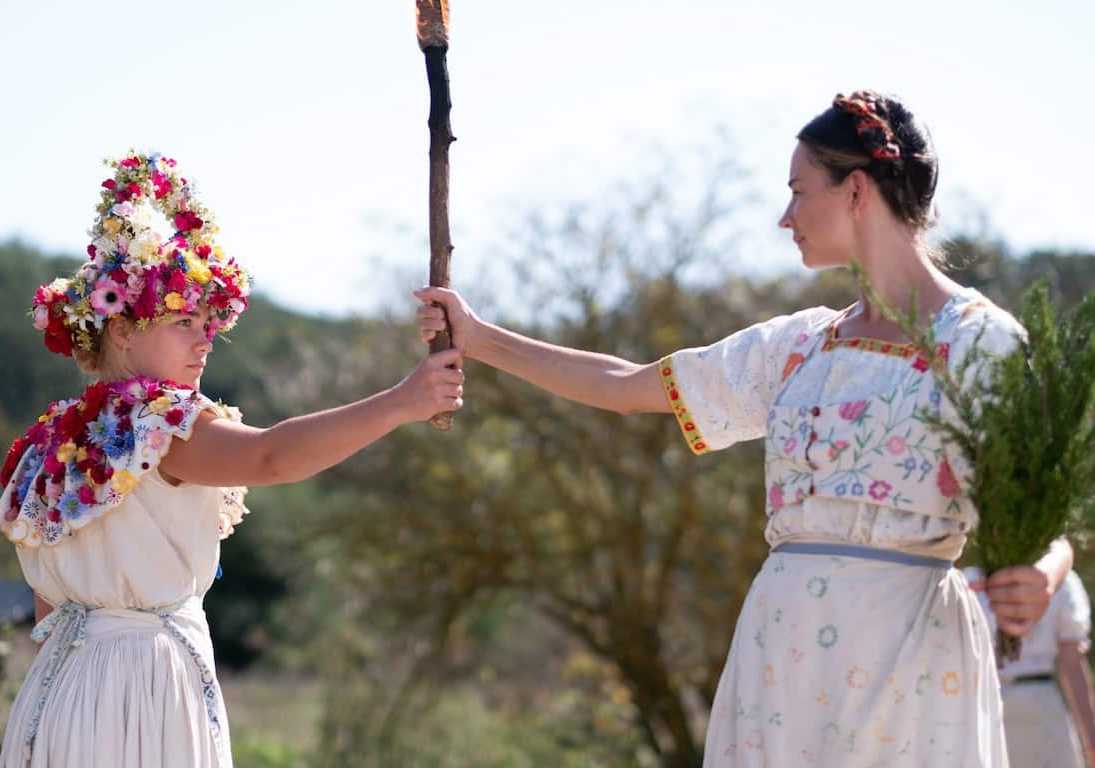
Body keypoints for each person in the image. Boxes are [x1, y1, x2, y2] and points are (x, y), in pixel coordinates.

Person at [415, 91, 1071, 766]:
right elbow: (624, 388)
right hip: (783, 660)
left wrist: (1045, 573)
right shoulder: (800, 347)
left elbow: (1041, 513)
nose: (785, 216)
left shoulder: (982, 342)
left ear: (855, 189)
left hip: (911, 656)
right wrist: (480, 338)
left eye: (797, 190)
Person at [0, 151, 464, 768]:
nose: (204, 339)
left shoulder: (53, 440)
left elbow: (48, 609)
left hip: (61, 690)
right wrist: (404, 399)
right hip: (144, 687)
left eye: (210, 324)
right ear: (125, 330)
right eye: (184, 321)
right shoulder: (160, 422)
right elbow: (271, 457)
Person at [966, 566, 1095, 767]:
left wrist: (1091, 739)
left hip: (1041, 707)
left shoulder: (1060, 577)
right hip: (988, 703)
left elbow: (1072, 665)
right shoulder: (969, 581)